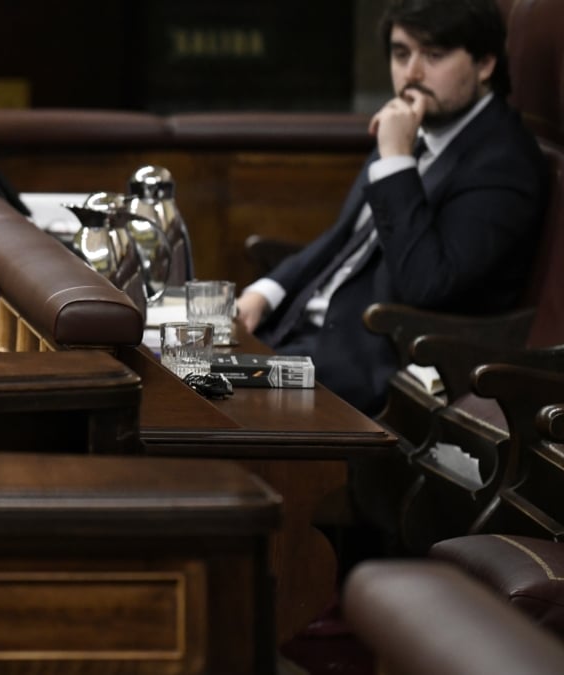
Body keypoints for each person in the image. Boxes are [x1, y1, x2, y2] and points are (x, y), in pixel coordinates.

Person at [235, 0, 548, 416]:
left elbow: (426, 286)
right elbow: (346, 237)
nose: (412, 74)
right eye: (402, 54)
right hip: (296, 336)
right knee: (168, 352)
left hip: (367, 367)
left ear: (485, 63)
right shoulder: (414, 127)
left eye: (434, 55)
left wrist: (396, 160)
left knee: (198, 378)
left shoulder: (503, 163)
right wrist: (265, 291)